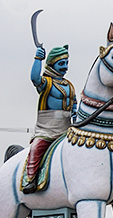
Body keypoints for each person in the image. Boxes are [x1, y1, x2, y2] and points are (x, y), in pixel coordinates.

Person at [23, 44, 77, 194]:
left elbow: (74, 102)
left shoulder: (69, 85)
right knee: (36, 148)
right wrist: (38, 58)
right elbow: (34, 78)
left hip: (66, 129)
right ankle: (31, 179)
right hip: (47, 128)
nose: (65, 67)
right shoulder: (47, 83)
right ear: (52, 64)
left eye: (66, 63)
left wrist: (75, 112)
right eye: (61, 63)